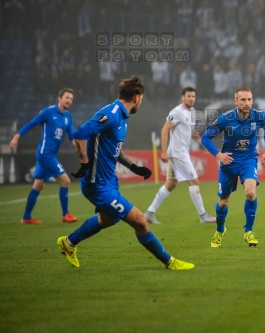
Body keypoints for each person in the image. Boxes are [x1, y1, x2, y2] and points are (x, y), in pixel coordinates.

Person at [57, 76, 194, 270]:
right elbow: (80, 134)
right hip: (98, 185)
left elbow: (115, 149)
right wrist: (85, 163)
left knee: (109, 219)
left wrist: (133, 167)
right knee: (139, 221)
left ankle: (69, 242)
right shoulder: (111, 114)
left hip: (108, 181)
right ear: (137, 98)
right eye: (142, 98)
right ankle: (169, 261)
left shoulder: (122, 116)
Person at [201, 87, 265, 248]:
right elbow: (205, 138)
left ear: (252, 101)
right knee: (223, 202)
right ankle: (219, 230)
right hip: (228, 162)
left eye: (249, 100)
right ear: (236, 102)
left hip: (248, 160)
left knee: (250, 192)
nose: (247, 103)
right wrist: (219, 155)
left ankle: (249, 231)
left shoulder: (259, 116)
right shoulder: (225, 119)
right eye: (243, 100)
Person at [144, 87, 216, 224]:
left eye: (193, 96)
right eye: (188, 96)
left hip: (181, 153)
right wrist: (163, 151)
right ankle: (203, 216)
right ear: (182, 97)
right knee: (194, 181)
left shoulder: (193, 112)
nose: (191, 98)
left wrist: (204, 144)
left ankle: (149, 213)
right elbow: (164, 130)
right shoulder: (176, 112)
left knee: (170, 184)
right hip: (178, 153)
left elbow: (192, 131)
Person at [9, 88, 78, 224]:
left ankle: (26, 217)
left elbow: (71, 136)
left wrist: (78, 146)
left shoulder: (68, 117)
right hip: (45, 154)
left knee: (38, 185)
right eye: (67, 98)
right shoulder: (48, 112)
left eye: (71, 99)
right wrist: (17, 136)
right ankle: (65, 214)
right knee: (66, 181)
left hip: (51, 154)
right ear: (59, 98)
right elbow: (31, 124)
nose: (69, 100)